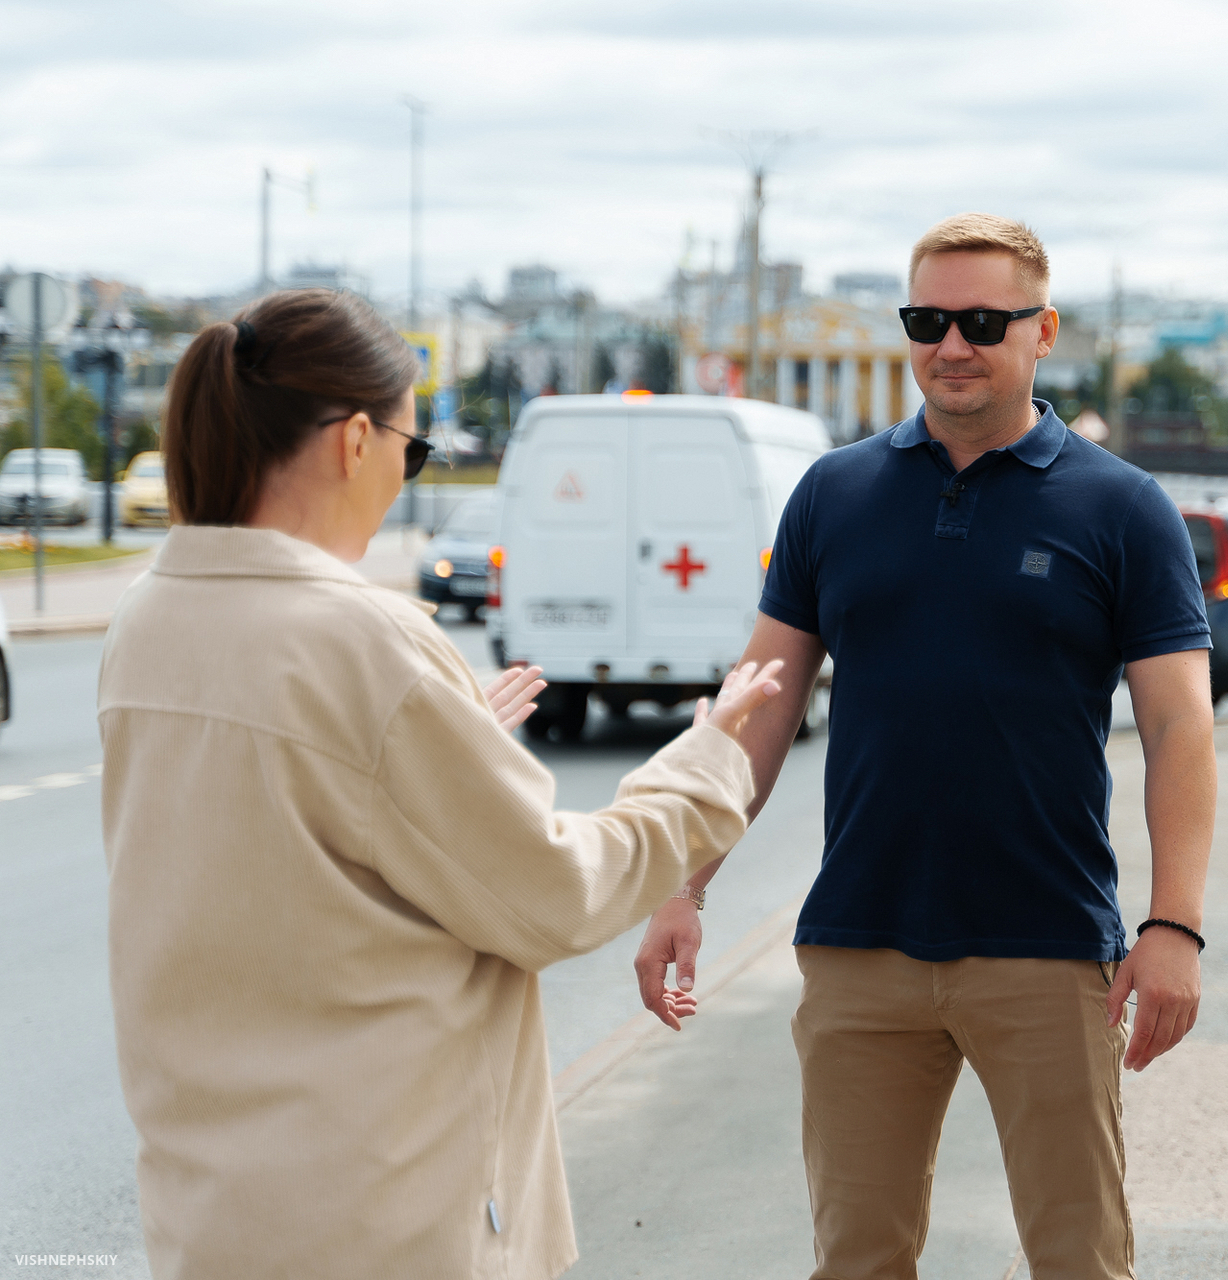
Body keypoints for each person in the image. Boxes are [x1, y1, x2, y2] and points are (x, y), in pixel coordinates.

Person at [98, 288, 783, 1280]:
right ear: (354, 440)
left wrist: (448, 741)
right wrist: (704, 761)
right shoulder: (365, 642)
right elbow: (554, 894)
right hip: (385, 1209)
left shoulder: (146, 620)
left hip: (207, 1209)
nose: (402, 476)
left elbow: (277, 834)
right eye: (412, 451)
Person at [633, 214, 1217, 1279]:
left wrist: (1173, 923)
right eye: (927, 320)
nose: (952, 344)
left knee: (1079, 1260)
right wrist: (685, 882)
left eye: (983, 323)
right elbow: (758, 706)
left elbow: (1181, 729)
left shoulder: (1123, 508)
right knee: (856, 1260)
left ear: (1043, 332)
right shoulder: (834, 493)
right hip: (860, 944)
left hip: (1047, 948)